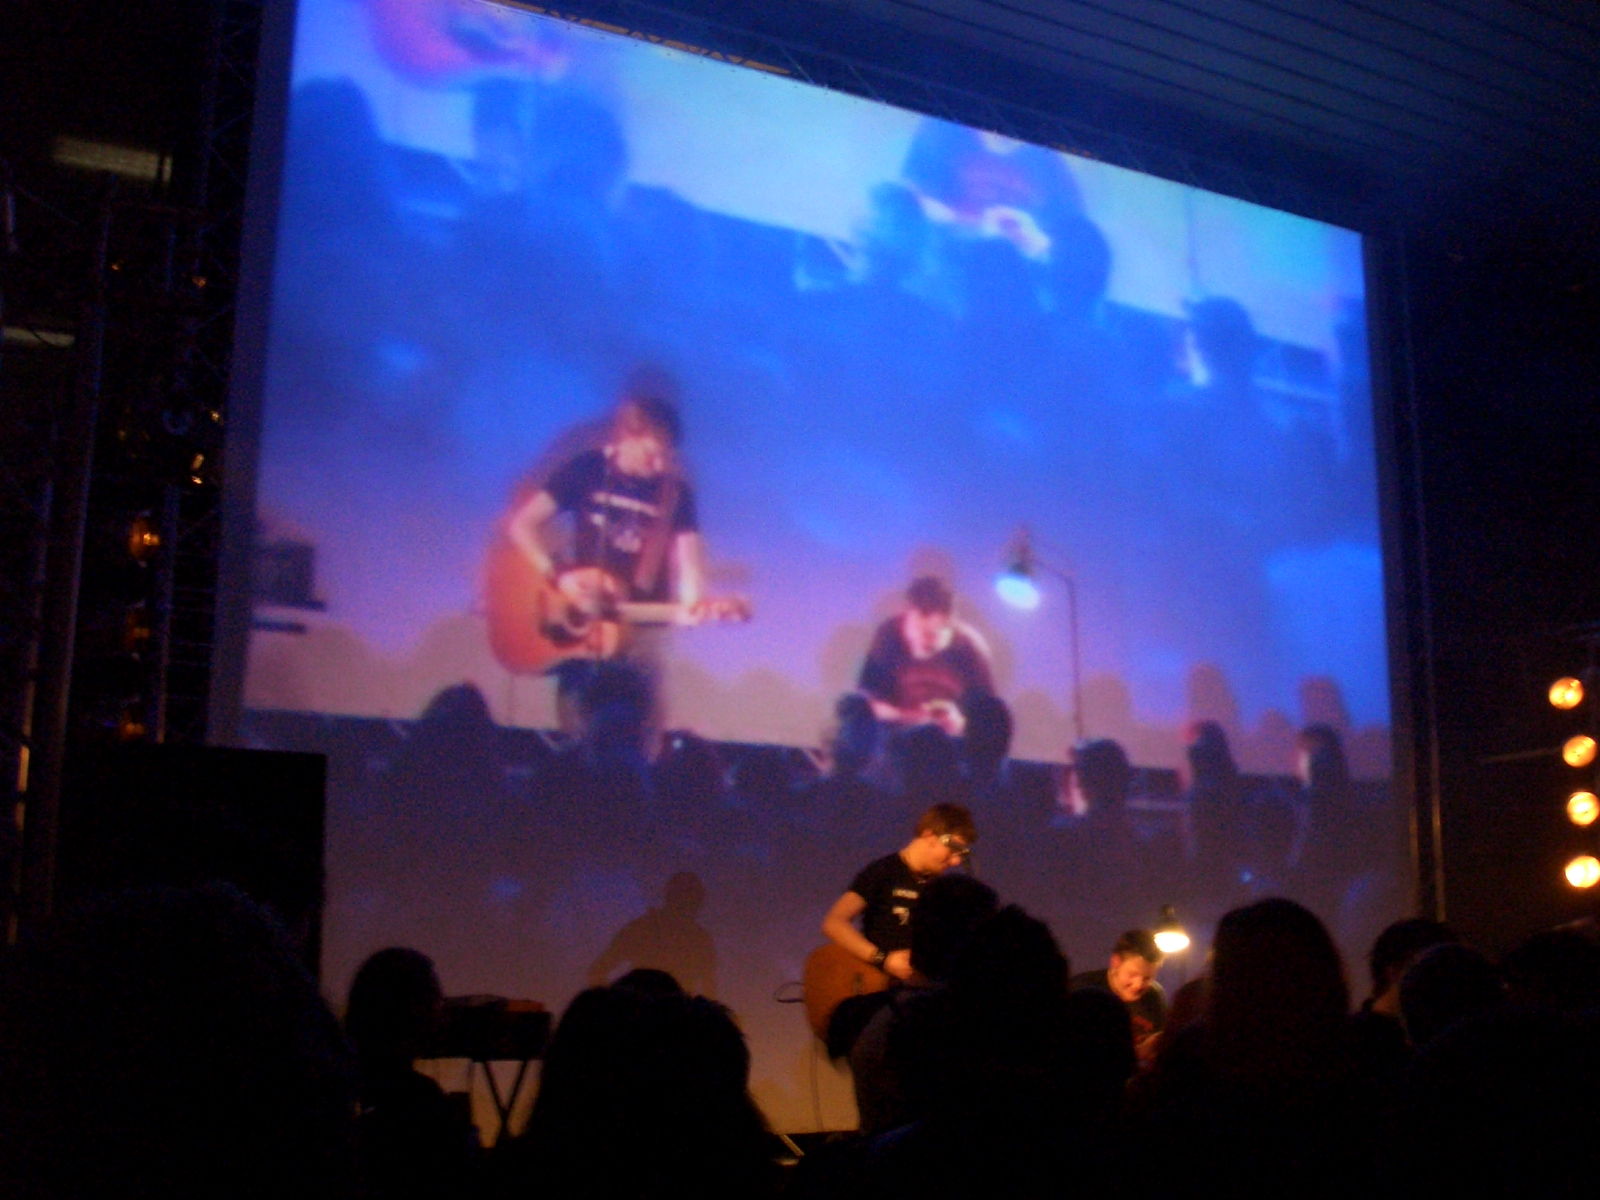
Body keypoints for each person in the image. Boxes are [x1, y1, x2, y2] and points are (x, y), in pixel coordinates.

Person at [504, 374, 704, 611]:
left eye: (665, 456)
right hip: (586, 615)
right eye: (650, 454)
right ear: (626, 437)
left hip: (642, 620)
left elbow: (690, 565)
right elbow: (522, 525)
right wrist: (559, 576)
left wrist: (693, 604)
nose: (659, 466)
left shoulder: (676, 493)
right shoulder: (587, 468)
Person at [821, 802, 978, 983]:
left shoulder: (941, 888)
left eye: (961, 854)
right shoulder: (883, 871)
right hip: (879, 987)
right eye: (953, 849)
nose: (956, 861)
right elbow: (834, 922)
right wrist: (883, 960)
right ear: (929, 835)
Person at [857, 576, 995, 737]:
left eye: (933, 635)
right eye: (919, 630)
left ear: (950, 626)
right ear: (906, 614)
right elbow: (867, 706)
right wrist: (918, 719)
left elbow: (988, 720)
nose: (924, 641)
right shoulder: (888, 637)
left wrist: (961, 724)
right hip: (896, 745)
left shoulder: (970, 649)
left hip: (950, 749)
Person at [1070, 929, 1168, 1051]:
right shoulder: (1082, 991)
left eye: (1147, 978)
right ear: (1115, 962)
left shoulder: (1154, 997)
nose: (1138, 985)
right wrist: (1138, 1053)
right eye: (1132, 974)